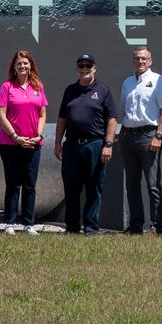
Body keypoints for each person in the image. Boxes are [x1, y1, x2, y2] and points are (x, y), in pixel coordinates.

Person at [52, 52, 118, 234]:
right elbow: (62, 119)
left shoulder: (103, 90)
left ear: (94, 69)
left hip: (95, 144)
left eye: (88, 66)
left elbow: (112, 119)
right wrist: (57, 143)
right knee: (71, 187)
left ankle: (91, 227)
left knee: (93, 187)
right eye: (81, 66)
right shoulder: (70, 90)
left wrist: (108, 144)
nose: (84, 69)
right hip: (72, 145)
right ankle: (72, 227)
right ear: (76, 69)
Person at [117, 45, 162, 235]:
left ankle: (156, 226)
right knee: (132, 185)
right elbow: (126, 113)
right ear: (133, 61)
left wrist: (158, 135)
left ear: (150, 61)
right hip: (129, 136)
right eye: (137, 58)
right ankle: (135, 226)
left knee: (152, 184)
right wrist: (121, 136)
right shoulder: (127, 82)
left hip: (149, 136)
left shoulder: (158, 80)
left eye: (143, 58)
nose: (140, 61)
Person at [0, 49, 48, 234]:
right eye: (19, 63)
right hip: (11, 144)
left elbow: (42, 114)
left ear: (30, 65)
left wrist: (39, 135)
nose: (22, 66)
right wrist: (15, 137)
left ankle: (28, 224)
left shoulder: (38, 87)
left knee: (30, 185)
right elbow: (1, 115)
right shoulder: (7, 87)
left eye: (25, 63)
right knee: (13, 184)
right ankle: (9, 223)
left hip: (33, 143)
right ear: (14, 67)